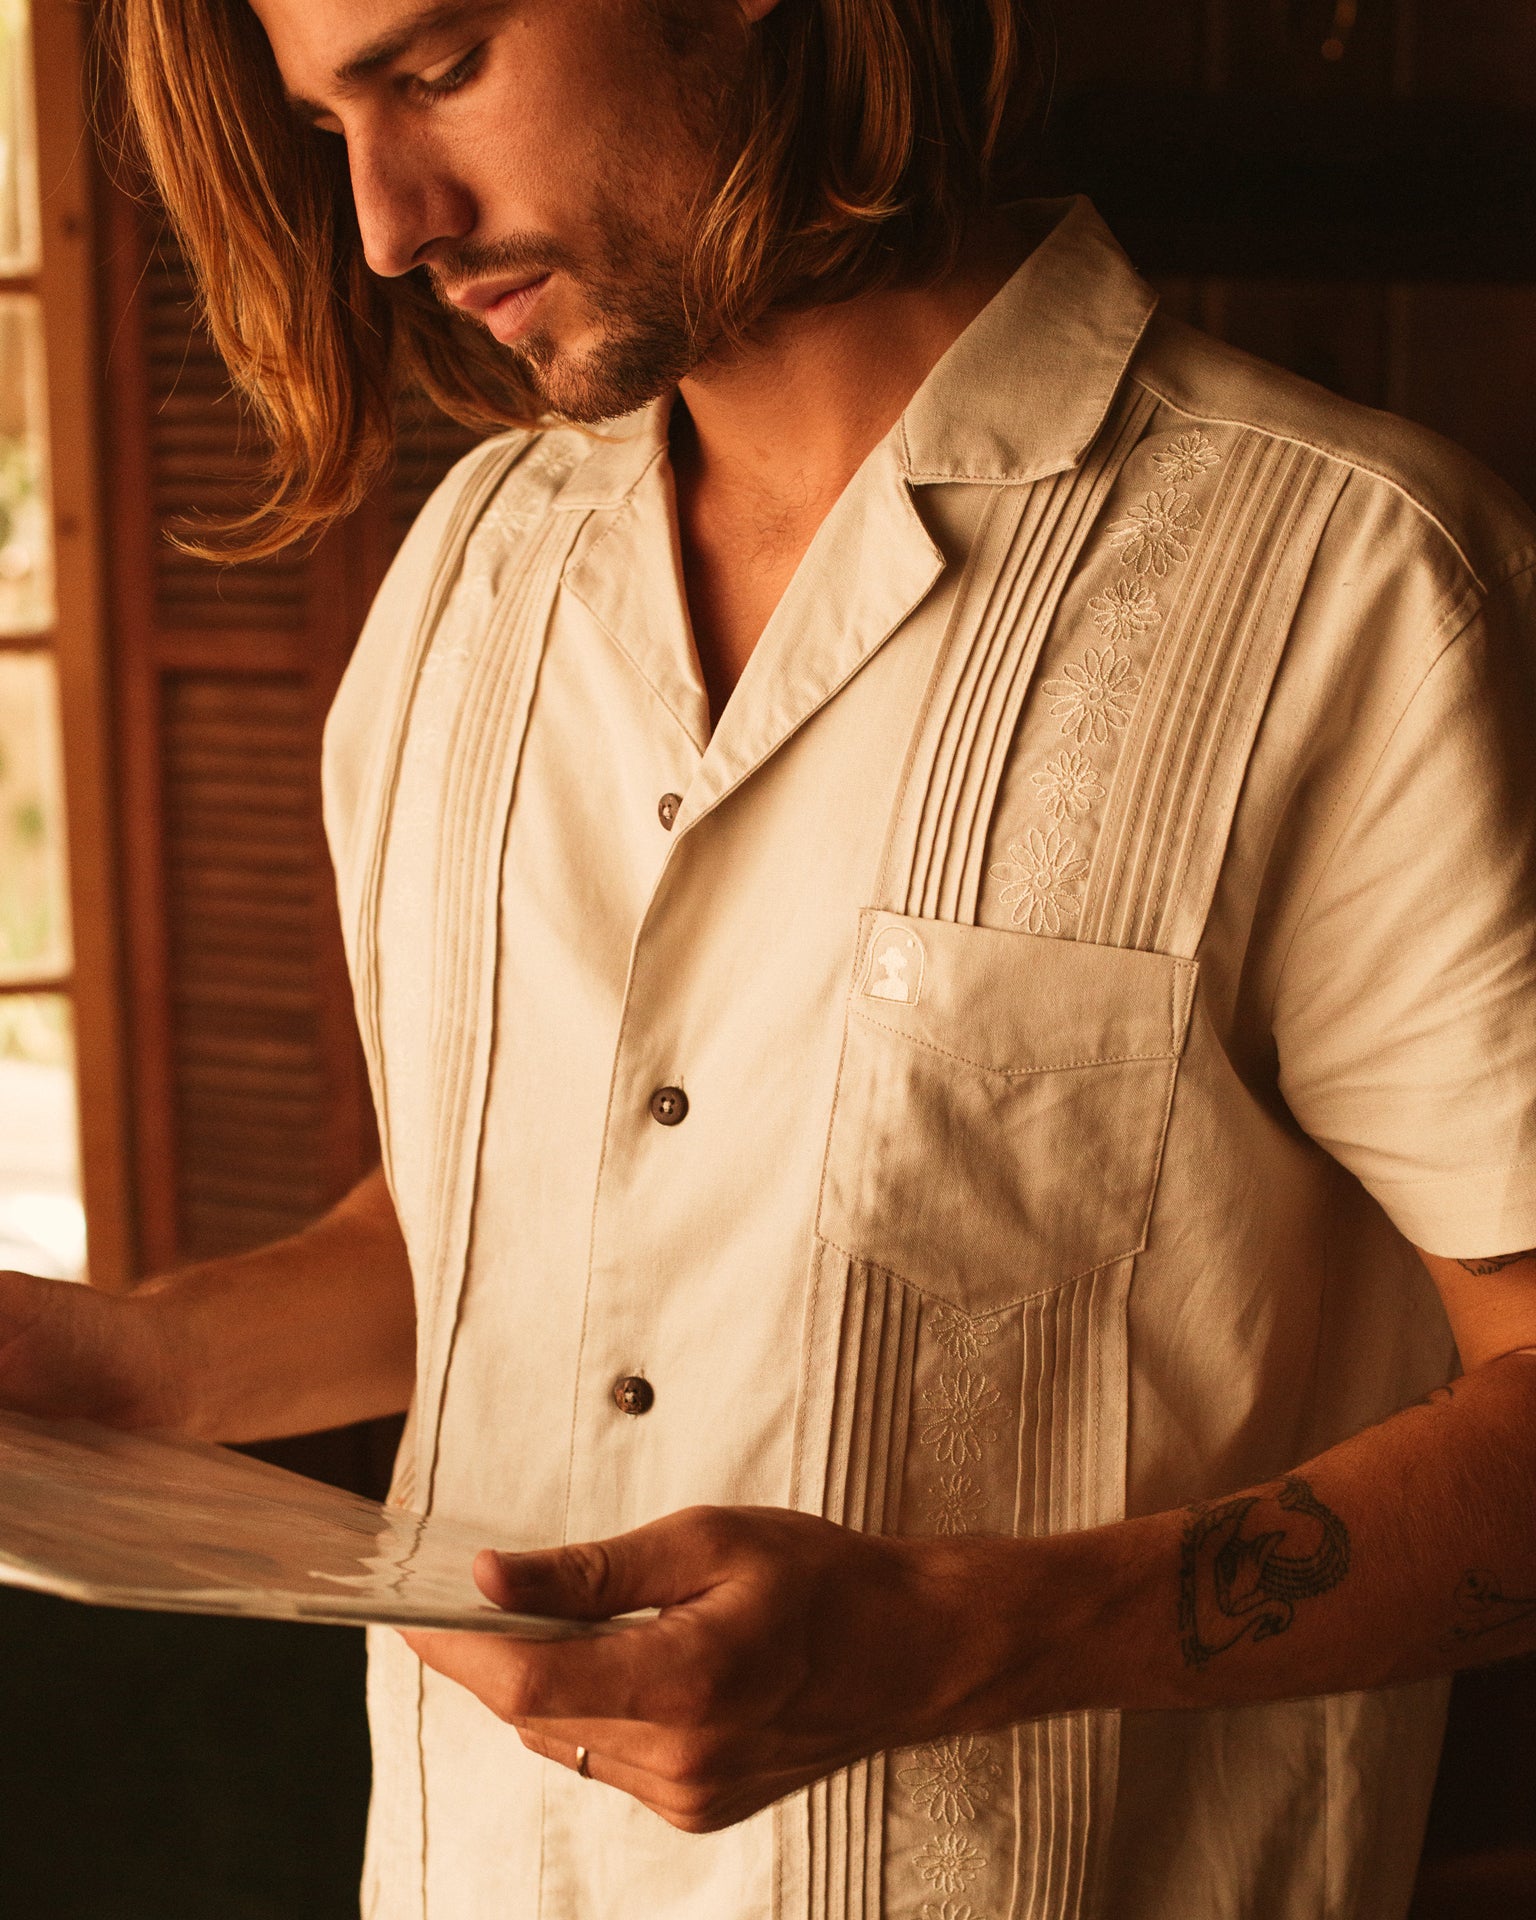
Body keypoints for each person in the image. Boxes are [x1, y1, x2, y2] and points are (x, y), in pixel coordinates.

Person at [3, 0, 1535, 1914]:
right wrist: (134, 1370)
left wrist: (967, 1641)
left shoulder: (1357, 587)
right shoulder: (469, 576)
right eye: (331, 127)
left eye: (440, 69)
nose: (390, 224)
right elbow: (499, 1233)